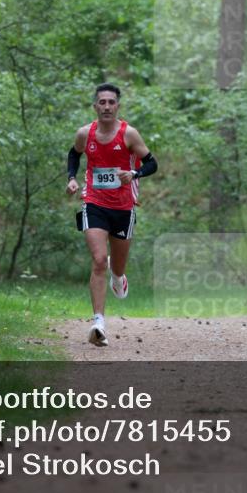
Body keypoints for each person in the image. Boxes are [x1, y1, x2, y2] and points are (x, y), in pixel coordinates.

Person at [66, 83, 158, 347]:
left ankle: (119, 277)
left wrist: (135, 174)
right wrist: (72, 179)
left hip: (123, 207)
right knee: (98, 260)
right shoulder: (85, 133)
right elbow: (74, 154)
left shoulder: (129, 134)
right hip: (93, 202)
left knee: (116, 266)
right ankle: (98, 323)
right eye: (102, 102)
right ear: (95, 106)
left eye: (111, 102)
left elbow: (152, 163)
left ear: (118, 106)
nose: (106, 106)